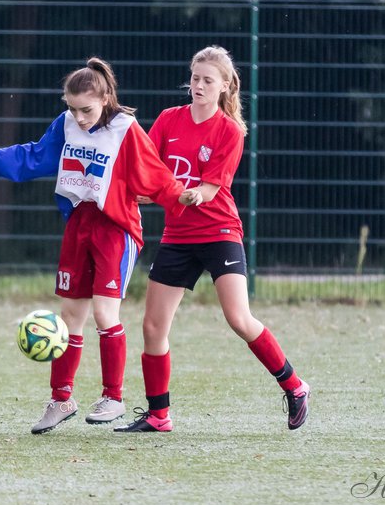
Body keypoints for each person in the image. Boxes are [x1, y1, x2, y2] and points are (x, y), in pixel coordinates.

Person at [0, 58, 199, 435]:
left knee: (105, 313)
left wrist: (181, 198)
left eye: (86, 109)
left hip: (116, 229)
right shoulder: (67, 124)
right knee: (69, 317)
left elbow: (155, 174)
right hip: (79, 226)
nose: (80, 117)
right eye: (73, 108)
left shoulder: (125, 129)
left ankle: (113, 396)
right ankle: (61, 399)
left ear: (105, 98)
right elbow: (37, 155)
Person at [116, 46, 310, 433]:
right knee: (153, 327)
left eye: (208, 80)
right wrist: (139, 190)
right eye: (195, 78)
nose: (199, 85)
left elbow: (207, 189)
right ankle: (158, 416)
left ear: (224, 86)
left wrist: (190, 195)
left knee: (238, 318)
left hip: (219, 232)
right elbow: (150, 169)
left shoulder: (229, 131)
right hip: (178, 234)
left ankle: (295, 386)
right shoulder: (170, 120)